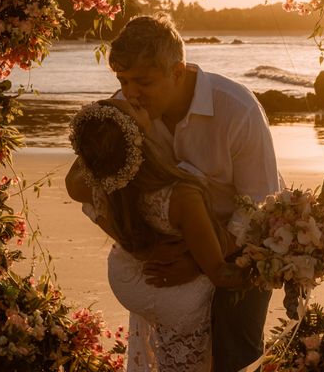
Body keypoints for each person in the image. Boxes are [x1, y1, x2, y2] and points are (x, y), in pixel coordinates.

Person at [107, 14, 281, 372]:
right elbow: (97, 190)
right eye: (123, 80)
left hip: (243, 245)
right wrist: (150, 247)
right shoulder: (125, 111)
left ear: (178, 72)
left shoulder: (237, 109)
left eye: (143, 81)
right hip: (168, 246)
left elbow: (260, 207)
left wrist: (204, 260)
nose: (130, 93)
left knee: (237, 354)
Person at [67, 99, 246, 371]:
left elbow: (75, 179)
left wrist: (141, 250)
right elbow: (219, 273)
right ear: (136, 133)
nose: (135, 99)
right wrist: (273, 264)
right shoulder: (181, 196)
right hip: (174, 294)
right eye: (134, 109)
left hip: (130, 278)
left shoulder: (103, 183)